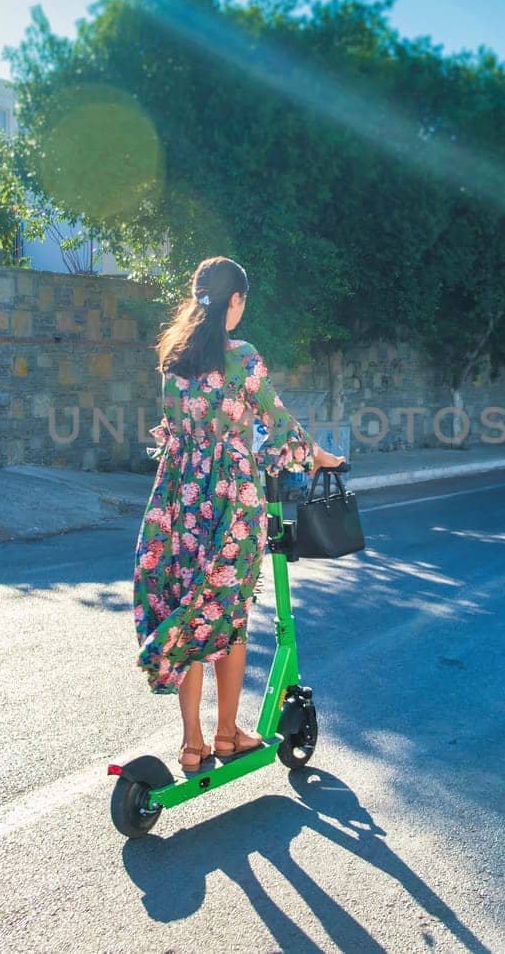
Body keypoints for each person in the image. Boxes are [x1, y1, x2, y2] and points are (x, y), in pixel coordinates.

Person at [132, 256, 345, 774]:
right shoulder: (242, 357)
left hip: (179, 496)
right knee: (230, 611)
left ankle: (192, 744)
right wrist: (318, 456)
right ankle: (227, 735)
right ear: (234, 301)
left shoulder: (173, 360)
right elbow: (276, 420)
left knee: (187, 602)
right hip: (230, 496)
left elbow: (182, 428)